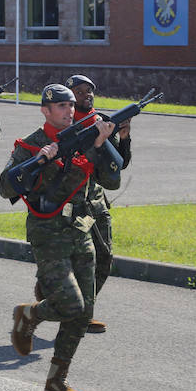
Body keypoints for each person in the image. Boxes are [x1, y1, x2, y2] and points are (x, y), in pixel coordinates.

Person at [0, 83, 119, 391]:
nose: (68, 111)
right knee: (71, 304)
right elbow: (4, 188)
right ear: (46, 111)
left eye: (70, 105)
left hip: (80, 228)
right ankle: (30, 315)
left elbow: (112, 179)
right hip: (48, 232)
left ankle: (56, 380)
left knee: (84, 312)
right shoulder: (32, 143)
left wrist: (103, 143)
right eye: (61, 107)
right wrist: (39, 160)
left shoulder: (86, 135)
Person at [52, 74, 132, 333]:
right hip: (73, 202)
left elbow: (118, 164)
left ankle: (80, 311)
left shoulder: (100, 122)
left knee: (105, 257)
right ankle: (76, 314)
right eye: (81, 90)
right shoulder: (66, 127)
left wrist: (124, 135)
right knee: (80, 260)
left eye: (90, 90)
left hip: (97, 200)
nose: (88, 94)